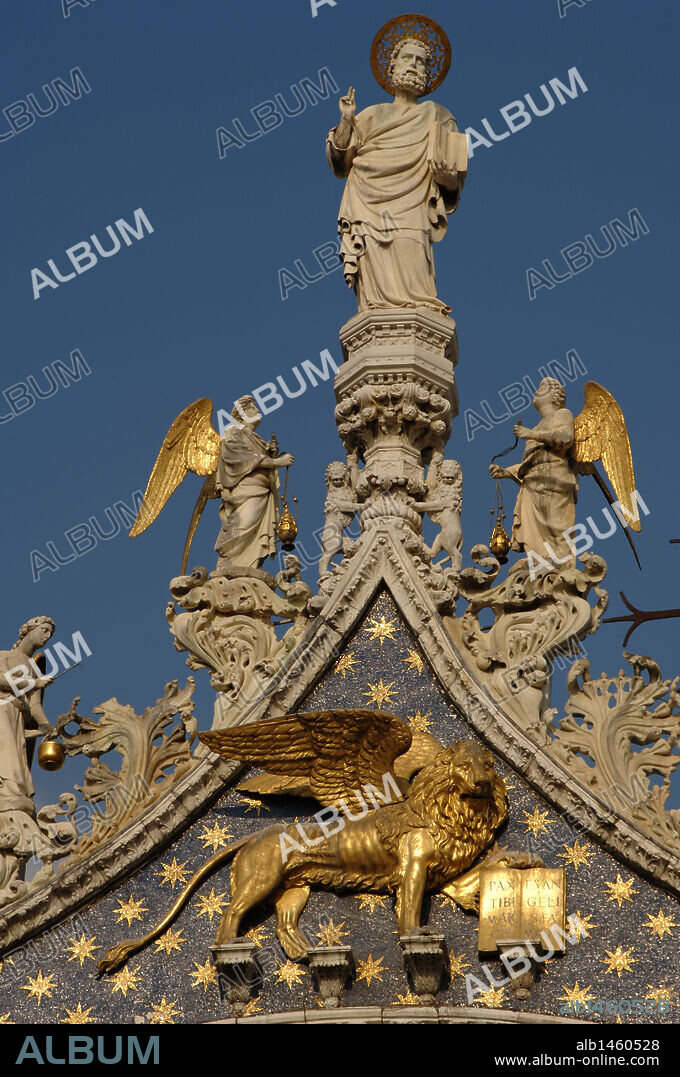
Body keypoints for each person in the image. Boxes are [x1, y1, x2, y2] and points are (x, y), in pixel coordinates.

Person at [326, 34, 462, 314]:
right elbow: (341, 159)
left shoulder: (440, 116)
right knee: (373, 297)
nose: (413, 66)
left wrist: (447, 178)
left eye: (421, 62)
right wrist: (347, 119)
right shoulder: (371, 115)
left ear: (427, 74)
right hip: (368, 207)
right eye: (407, 58)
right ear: (392, 67)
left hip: (413, 207)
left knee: (414, 273)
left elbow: (453, 178)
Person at [489, 378, 578, 565]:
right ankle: (539, 560)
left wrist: (532, 435)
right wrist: (506, 472)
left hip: (554, 480)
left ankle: (561, 562)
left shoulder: (562, 414)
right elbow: (531, 461)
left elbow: (566, 437)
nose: (536, 392)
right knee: (537, 531)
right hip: (533, 482)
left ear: (554, 397)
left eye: (541, 388)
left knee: (555, 525)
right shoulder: (537, 426)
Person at [215, 396, 293, 570]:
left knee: (256, 537)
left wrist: (270, 454)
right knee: (242, 527)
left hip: (262, 493)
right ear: (243, 414)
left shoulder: (257, 440)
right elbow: (240, 457)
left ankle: (251, 568)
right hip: (245, 493)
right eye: (253, 408)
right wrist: (276, 462)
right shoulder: (233, 433)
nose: (258, 411)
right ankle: (230, 566)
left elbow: (257, 459)